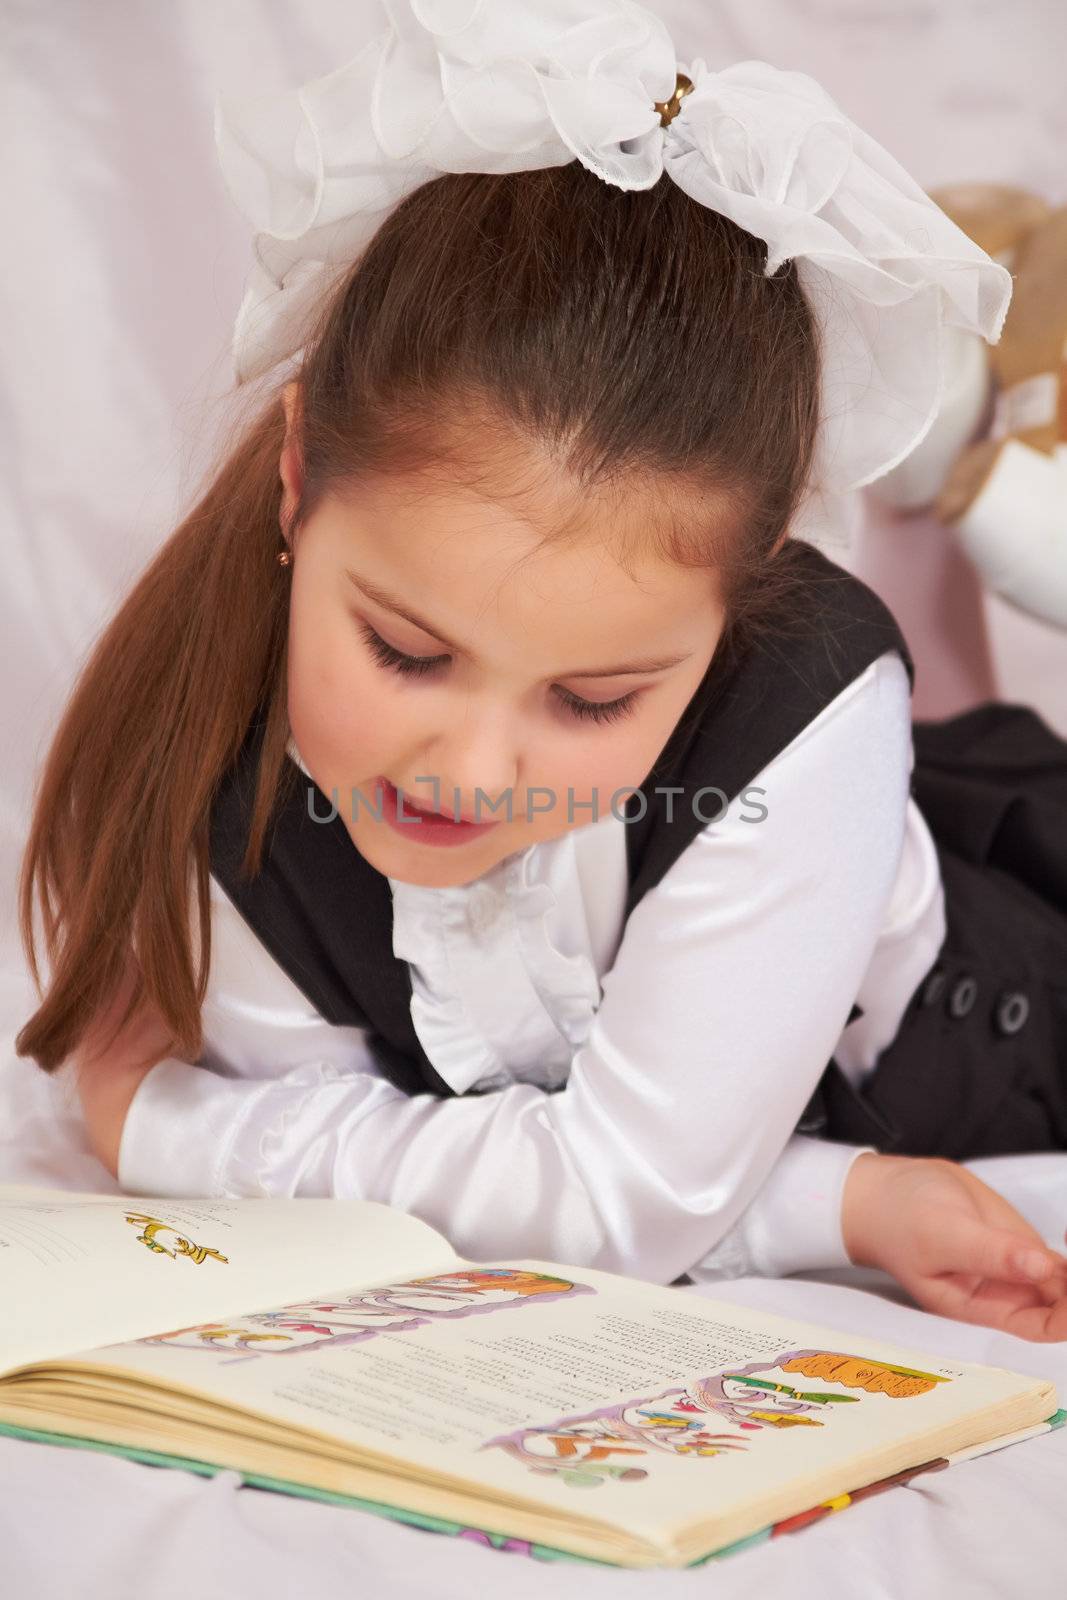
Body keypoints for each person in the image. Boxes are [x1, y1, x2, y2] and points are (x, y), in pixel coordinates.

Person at [15, 1, 1067, 1341]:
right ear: (295, 482)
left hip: (1012, 1046)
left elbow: (625, 1200)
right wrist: (835, 1202)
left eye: (592, 700)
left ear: (740, 613)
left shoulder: (804, 698)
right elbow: (419, 1159)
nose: (471, 769)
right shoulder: (225, 770)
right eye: (405, 651)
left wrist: (162, 1123)